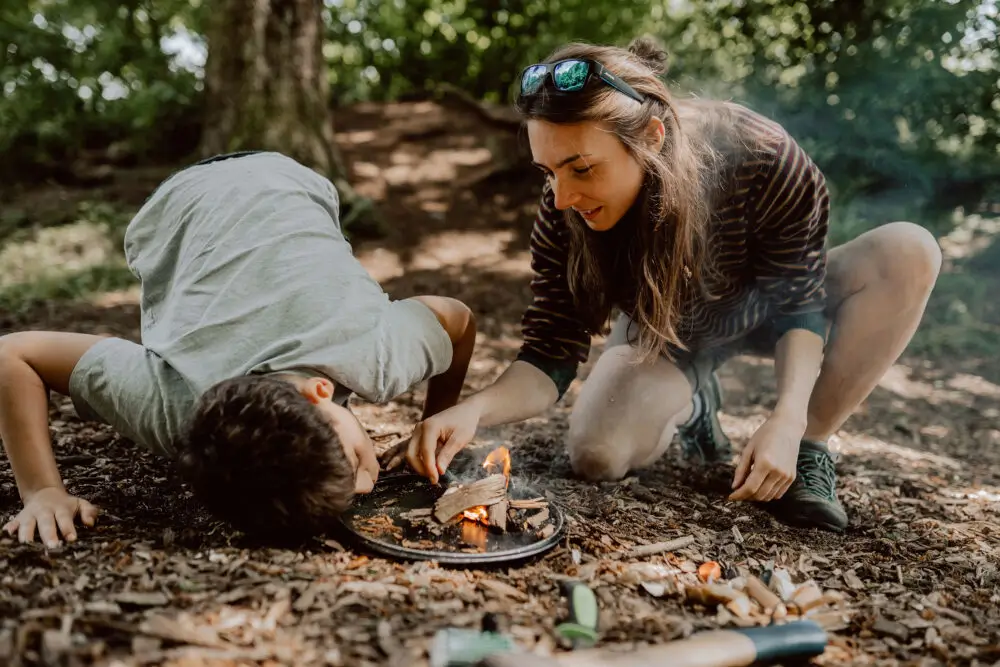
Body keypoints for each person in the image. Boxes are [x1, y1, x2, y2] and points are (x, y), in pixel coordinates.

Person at [398, 38, 942, 533]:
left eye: (582, 169)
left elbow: (802, 305)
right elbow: (549, 352)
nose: (561, 196)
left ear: (652, 137)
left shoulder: (766, 157)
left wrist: (789, 417)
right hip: (667, 330)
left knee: (909, 249)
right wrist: (471, 410)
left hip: (773, 309)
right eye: (548, 171)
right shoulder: (562, 207)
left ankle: (807, 448)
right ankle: (696, 400)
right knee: (597, 454)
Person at [1, 151, 476, 547]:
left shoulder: (380, 351)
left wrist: (431, 423)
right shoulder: (169, 408)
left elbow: (458, 319)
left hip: (287, 183)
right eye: (355, 462)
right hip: (183, 206)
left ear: (319, 392)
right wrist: (40, 491)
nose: (363, 475)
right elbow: (12, 352)